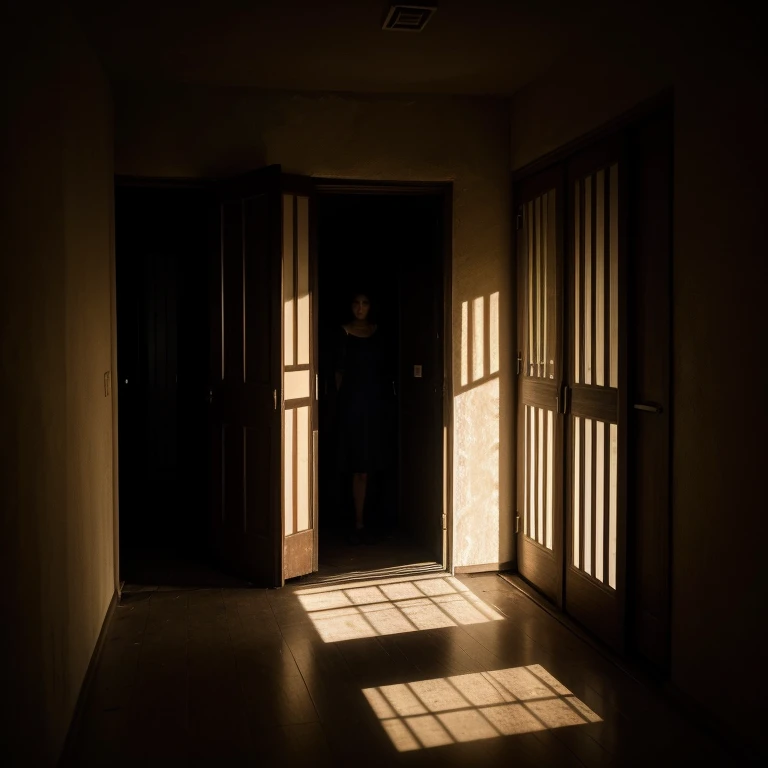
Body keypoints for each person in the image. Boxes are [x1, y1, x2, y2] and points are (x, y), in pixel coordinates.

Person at [335, 291, 389, 544]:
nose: (360, 307)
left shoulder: (378, 332)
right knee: (351, 460)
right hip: (350, 404)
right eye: (356, 302)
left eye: (365, 302)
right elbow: (338, 373)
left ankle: (368, 517)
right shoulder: (343, 333)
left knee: (370, 463)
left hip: (374, 405)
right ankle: (351, 517)